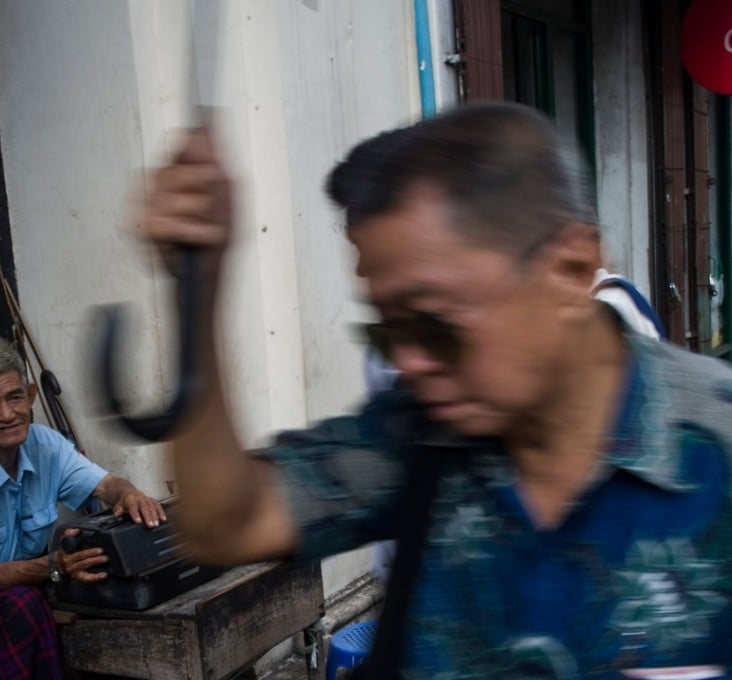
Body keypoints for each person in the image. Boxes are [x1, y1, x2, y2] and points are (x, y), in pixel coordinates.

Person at [138, 103, 732, 676]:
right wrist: (197, 289)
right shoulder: (418, 434)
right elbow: (224, 524)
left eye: (436, 324)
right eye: (385, 331)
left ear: (572, 271)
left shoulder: (716, 445)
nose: (409, 363)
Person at [0, 336, 166, 680]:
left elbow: (105, 486)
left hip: (25, 589)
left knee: (101, 586)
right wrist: (55, 566)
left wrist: (129, 493)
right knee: (25, 607)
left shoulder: (45, 444)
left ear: (30, 396)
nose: (7, 414)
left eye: (15, 397)